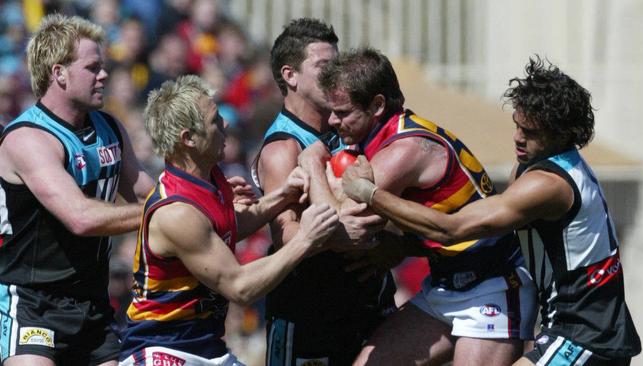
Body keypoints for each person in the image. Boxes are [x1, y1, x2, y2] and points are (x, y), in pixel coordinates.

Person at [342, 56, 643, 365]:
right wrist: (406, 246)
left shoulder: (548, 185)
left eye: (531, 132)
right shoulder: (537, 167)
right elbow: (493, 235)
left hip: (586, 335)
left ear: (562, 135)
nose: (517, 137)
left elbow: (450, 229)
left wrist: (370, 193)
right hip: (552, 322)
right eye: (517, 125)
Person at [299, 47, 538, 365]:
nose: (331, 121)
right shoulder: (383, 137)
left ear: (378, 105)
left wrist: (313, 163)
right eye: (331, 111)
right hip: (444, 285)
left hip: (492, 287)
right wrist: (405, 246)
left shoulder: (405, 149)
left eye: (342, 113)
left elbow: (339, 225)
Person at [118, 74, 339, 366]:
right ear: (189, 139)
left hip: (204, 346)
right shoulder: (177, 212)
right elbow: (241, 287)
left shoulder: (208, 179)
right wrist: (306, 238)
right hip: (164, 350)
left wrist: (283, 196)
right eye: (215, 120)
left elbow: (228, 226)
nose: (226, 125)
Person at [0, 14, 155, 366]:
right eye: (93, 67)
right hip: (31, 302)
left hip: (92, 303)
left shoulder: (110, 128)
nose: (104, 75)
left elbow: (150, 191)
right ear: (59, 74)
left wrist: (206, 196)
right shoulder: (29, 139)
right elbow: (80, 217)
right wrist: (167, 207)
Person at [251, 19, 397, 366]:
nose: (336, 74)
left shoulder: (349, 128)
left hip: (367, 301)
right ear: (290, 76)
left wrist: (394, 245)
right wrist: (341, 234)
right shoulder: (282, 148)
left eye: (338, 64)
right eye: (323, 67)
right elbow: (286, 234)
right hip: (311, 313)